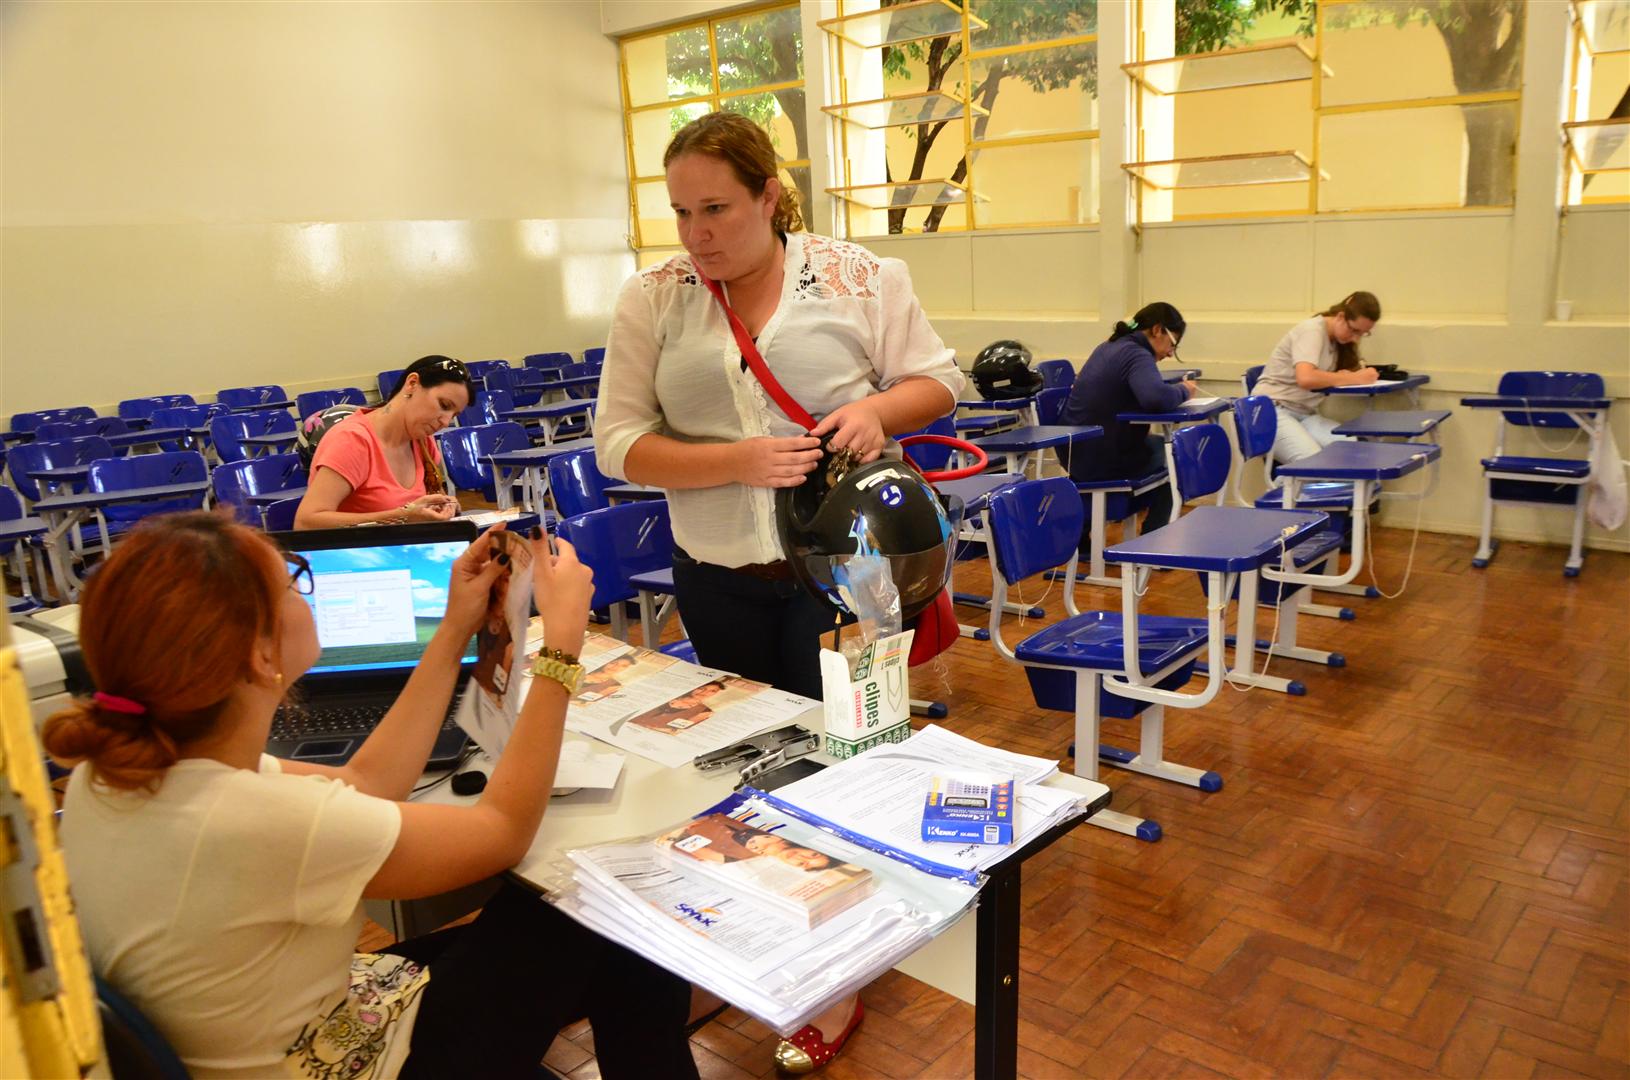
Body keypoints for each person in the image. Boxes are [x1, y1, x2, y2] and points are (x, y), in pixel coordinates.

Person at [43, 512, 699, 1080]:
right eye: (295, 582)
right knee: (595, 906)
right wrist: (560, 646)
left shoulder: (122, 768)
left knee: (604, 938)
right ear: (258, 655)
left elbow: (361, 786)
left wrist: (454, 627)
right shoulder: (248, 817)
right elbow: (502, 829)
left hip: (291, 1030)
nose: (310, 593)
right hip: (345, 1058)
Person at [595, 109, 964, 1073]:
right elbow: (618, 442)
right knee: (747, 766)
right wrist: (733, 461)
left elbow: (937, 383)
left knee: (853, 756)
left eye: (716, 208)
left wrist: (876, 410)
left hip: (848, 574)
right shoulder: (655, 298)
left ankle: (839, 969)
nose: (697, 233)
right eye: (679, 213)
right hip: (718, 572)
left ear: (769, 196)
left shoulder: (858, 275)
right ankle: (771, 918)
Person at [1058, 301, 1196, 538]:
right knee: (1179, 453)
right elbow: (1155, 398)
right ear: (1156, 330)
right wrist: (1185, 390)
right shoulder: (1137, 354)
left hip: (1076, 453)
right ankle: (1156, 541)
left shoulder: (1110, 346)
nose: (1170, 353)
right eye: (1173, 343)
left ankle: (1080, 532)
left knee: (1158, 448)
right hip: (1100, 458)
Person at [295, 355, 470, 528]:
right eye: (444, 405)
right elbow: (306, 523)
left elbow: (429, 503)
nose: (446, 422)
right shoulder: (352, 440)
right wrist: (402, 517)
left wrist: (444, 506)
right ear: (412, 384)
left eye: (454, 415)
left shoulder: (423, 441)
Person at [1256, 291, 1383, 464]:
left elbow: (1321, 377)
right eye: (1353, 330)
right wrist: (1355, 378)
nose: (1355, 338)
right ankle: (1283, 488)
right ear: (1340, 316)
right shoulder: (1312, 330)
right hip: (1272, 410)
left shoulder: (1336, 342)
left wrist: (1345, 376)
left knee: (1356, 450)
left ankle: (1300, 487)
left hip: (1305, 414)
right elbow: (1306, 378)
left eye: (1362, 334)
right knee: (1314, 462)